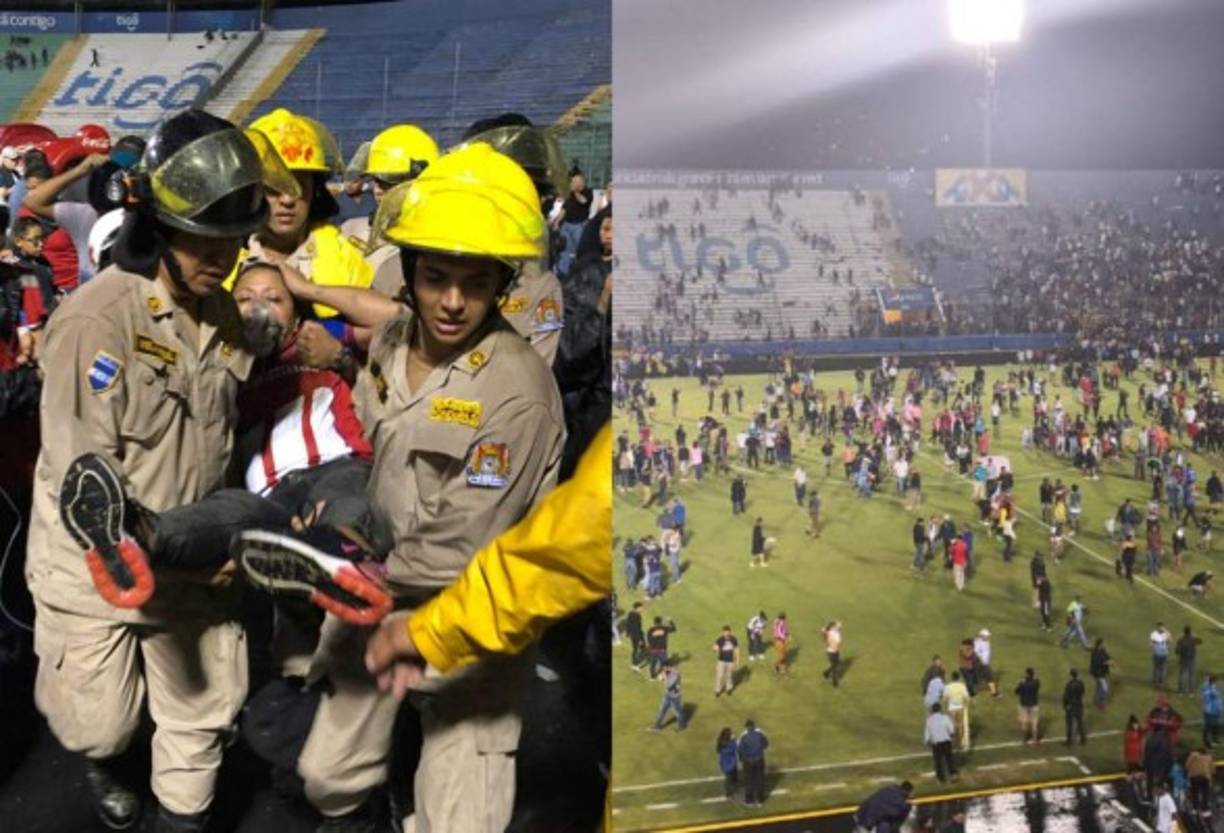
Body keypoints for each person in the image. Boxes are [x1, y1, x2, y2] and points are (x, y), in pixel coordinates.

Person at [244, 143, 567, 832]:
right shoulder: (392, 341)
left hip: (468, 620)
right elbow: (365, 437)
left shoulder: (517, 393)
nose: (452, 302)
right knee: (329, 779)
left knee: (461, 820)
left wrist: (342, 567)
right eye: (436, 277)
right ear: (410, 272)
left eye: (475, 283)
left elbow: (464, 541)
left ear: (502, 282)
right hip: (373, 596)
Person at [26, 111, 275, 833]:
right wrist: (180, 560)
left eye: (232, 239)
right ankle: (109, 758)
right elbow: (86, 489)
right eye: (204, 237)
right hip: (93, 562)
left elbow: (221, 420)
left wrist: (216, 542)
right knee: (100, 726)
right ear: (158, 225)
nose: (222, 257)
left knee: (202, 717)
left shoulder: (222, 311)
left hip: (190, 555)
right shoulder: (95, 322)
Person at [738, 720, 769, 807]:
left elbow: (740, 749)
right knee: (760, 779)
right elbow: (766, 744)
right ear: (754, 725)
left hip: (748, 761)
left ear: (746, 727)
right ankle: (760, 800)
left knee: (749, 780)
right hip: (759, 759)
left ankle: (749, 800)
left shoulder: (743, 736)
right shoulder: (760, 733)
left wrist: (742, 758)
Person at [650, 659, 687, 732]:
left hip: (674, 697)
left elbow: (668, 686)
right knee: (661, 710)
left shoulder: (675, 674)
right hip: (667, 695)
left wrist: (664, 677)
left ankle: (681, 725)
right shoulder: (669, 672)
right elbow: (662, 679)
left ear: (669, 667)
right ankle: (657, 726)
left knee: (677, 712)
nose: (664, 669)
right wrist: (661, 677)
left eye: (665, 667)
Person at [925, 704, 958, 782]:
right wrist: (952, 735)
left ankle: (941, 778)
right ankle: (953, 774)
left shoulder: (929, 720)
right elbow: (951, 729)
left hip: (936, 743)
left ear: (932, 710)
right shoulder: (945, 718)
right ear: (940, 709)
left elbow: (927, 733)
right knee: (949, 759)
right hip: (946, 741)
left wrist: (927, 741)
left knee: (938, 761)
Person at [942, 671, 971, 748]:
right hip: (960, 706)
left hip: (951, 707)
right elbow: (967, 697)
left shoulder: (948, 686)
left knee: (952, 724)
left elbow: (945, 698)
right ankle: (961, 741)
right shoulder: (962, 686)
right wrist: (966, 704)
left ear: (952, 678)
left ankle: (953, 741)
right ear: (958, 678)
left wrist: (945, 707)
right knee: (960, 724)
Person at [1186, 747, 1214, 820]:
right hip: (1205, 777)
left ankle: (1195, 809)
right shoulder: (1209, 757)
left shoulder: (1192, 755)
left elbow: (1187, 765)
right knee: (1205, 793)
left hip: (1194, 777)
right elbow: (1212, 769)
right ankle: (1205, 810)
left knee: (1194, 793)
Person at [1015, 667, 1041, 745]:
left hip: (1024, 705)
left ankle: (1024, 739)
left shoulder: (1022, 683)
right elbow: (1037, 683)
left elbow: (1016, 691)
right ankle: (1035, 739)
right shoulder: (1036, 682)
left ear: (1026, 674)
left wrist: (1020, 682)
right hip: (1034, 704)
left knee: (1024, 723)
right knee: (1034, 723)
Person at [713, 625, 739, 697]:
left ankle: (729, 689)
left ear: (730, 632)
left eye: (728, 632)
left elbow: (736, 649)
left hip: (730, 660)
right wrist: (715, 649)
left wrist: (737, 660)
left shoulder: (733, 639)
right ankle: (717, 690)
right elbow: (715, 647)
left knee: (729, 675)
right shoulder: (720, 639)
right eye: (725, 632)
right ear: (723, 632)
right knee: (719, 676)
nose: (726, 634)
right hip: (721, 660)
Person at [1063, 669, 1087, 745]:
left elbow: (1066, 696)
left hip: (1071, 706)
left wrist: (1065, 705)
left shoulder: (1069, 684)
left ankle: (1069, 741)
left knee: (1069, 724)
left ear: (1071, 675)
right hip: (1079, 705)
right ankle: (1083, 740)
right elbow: (1083, 692)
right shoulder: (1081, 683)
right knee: (1080, 723)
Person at [973, 629, 999, 697]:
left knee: (981, 678)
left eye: (988, 636)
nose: (988, 637)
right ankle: (994, 693)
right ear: (982, 636)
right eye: (986, 636)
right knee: (989, 678)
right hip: (982, 664)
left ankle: (973, 690)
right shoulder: (978, 643)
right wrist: (981, 661)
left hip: (984, 663)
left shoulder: (986, 641)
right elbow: (975, 653)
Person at [1176, 626, 1201, 694]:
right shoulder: (1193, 639)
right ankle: (1191, 692)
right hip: (1191, 660)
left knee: (1182, 676)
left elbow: (1177, 651)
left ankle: (1180, 691)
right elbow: (1200, 641)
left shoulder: (1181, 639)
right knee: (1191, 676)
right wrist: (1195, 635)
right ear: (1190, 632)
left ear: (1184, 631)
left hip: (1183, 660)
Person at [1090, 638, 1114, 709]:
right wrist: (1108, 663)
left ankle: (1096, 701)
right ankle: (1101, 703)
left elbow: (1107, 657)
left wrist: (1110, 660)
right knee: (1104, 688)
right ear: (1100, 644)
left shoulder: (1102, 650)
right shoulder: (1095, 652)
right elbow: (1098, 663)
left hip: (1102, 672)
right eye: (1103, 643)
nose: (1105, 644)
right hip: (1098, 673)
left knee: (1098, 687)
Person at [717, 728, 739, 801]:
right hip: (730, 764)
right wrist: (734, 740)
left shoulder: (720, 742)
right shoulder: (731, 743)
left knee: (729, 778)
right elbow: (736, 748)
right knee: (729, 780)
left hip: (723, 763)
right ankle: (729, 794)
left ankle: (730, 793)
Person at [1201, 674, 1221, 748]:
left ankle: (1215, 740)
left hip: (1215, 710)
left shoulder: (1213, 687)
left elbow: (1217, 697)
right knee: (1207, 727)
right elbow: (1211, 695)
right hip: (1209, 711)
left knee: (1216, 725)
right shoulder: (1207, 688)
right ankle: (1207, 743)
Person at [626, 601, 646, 671]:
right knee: (636, 650)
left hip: (633, 634)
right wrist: (640, 639)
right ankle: (635, 665)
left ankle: (635, 663)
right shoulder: (637, 615)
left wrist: (628, 633)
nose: (642, 609)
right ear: (637, 608)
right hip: (637, 635)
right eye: (641, 608)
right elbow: (637, 627)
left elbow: (628, 623)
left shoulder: (630, 613)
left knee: (638, 648)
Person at [822, 620, 842, 687]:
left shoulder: (837, 633)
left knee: (836, 664)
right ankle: (834, 681)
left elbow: (838, 643)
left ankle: (826, 673)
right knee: (835, 666)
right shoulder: (831, 632)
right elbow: (823, 631)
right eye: (838, 626)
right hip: (830, 651)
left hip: (835, 651)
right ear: (834, 627)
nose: (839, 627)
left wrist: (836, 647)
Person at [1151, 622, 1171, 689]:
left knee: (1163, 668)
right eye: (1160, 627)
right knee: (1156, 668)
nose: (1161, 628)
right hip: (1157, 653)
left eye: (1162, 627)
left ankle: (1161, 681)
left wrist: (1166, 631)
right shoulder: (1154, 634)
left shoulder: (1165, 633)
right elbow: (1153, 642)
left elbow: (1170, 640)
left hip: (1164, 653)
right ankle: (1155, 681)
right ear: (1157, 627)